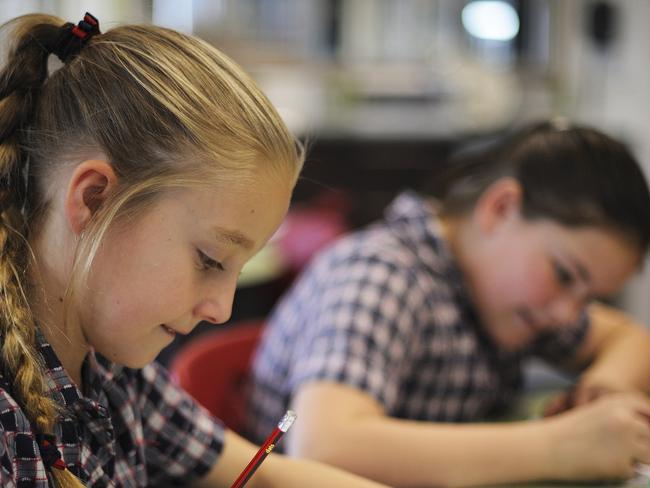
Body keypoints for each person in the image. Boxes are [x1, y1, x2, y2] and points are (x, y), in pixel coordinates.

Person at [0, 12, 392, 488]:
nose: (221, 310)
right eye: (209, 260)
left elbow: (271, 477)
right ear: (95, 199)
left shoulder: (111, 366)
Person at [248, 120, 650, 487]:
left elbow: (630, 338)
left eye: (589, 297)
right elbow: (323, 445)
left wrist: (603, 389)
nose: (567, 314)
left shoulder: (504, 297)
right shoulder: (381, 274)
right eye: (564, 275)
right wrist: (559, 446)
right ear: (501, 208)